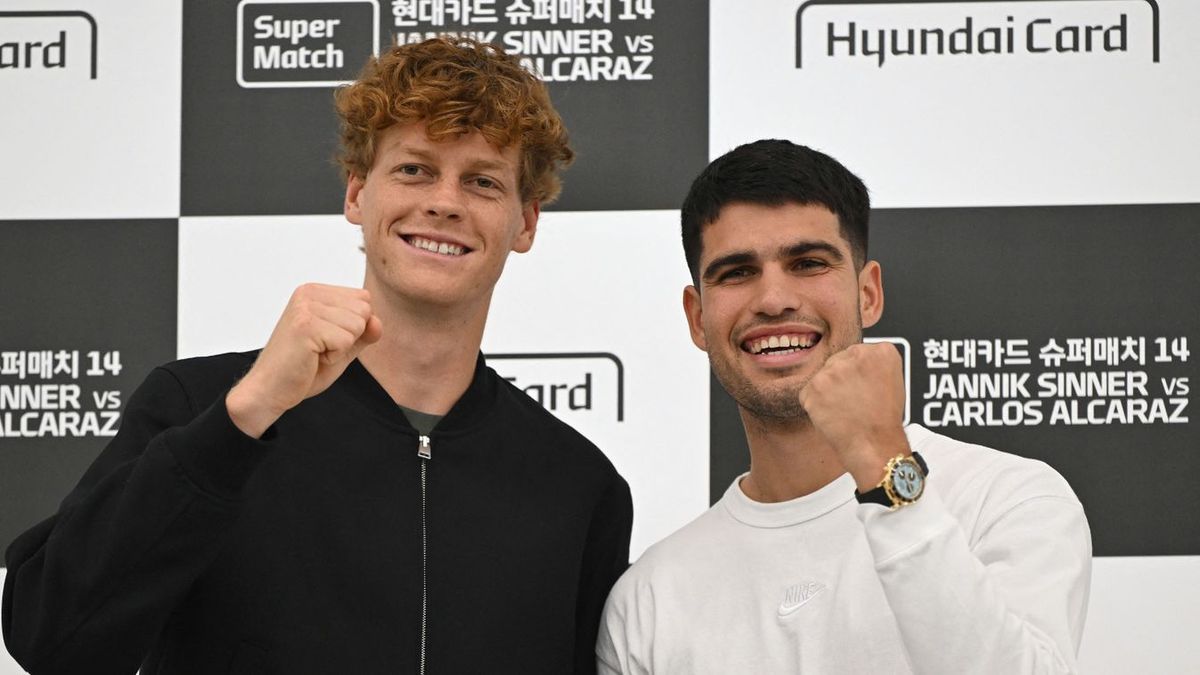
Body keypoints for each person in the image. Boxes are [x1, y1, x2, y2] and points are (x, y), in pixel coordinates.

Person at [3, 37, 632, 675]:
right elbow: (53, 641)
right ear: (357, 194)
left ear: (525, 223)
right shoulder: (202, 409)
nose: (444, 202)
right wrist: (243, 418)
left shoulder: (579, 484)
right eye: (414, 170)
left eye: (482, 181)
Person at [596, 140, 1091, 673]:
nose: (773, 300)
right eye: (737, 272)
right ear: (697, 318)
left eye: (808, 263)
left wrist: (884, 466)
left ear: (868, 293)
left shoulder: (1007, 500)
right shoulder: (648, 600)